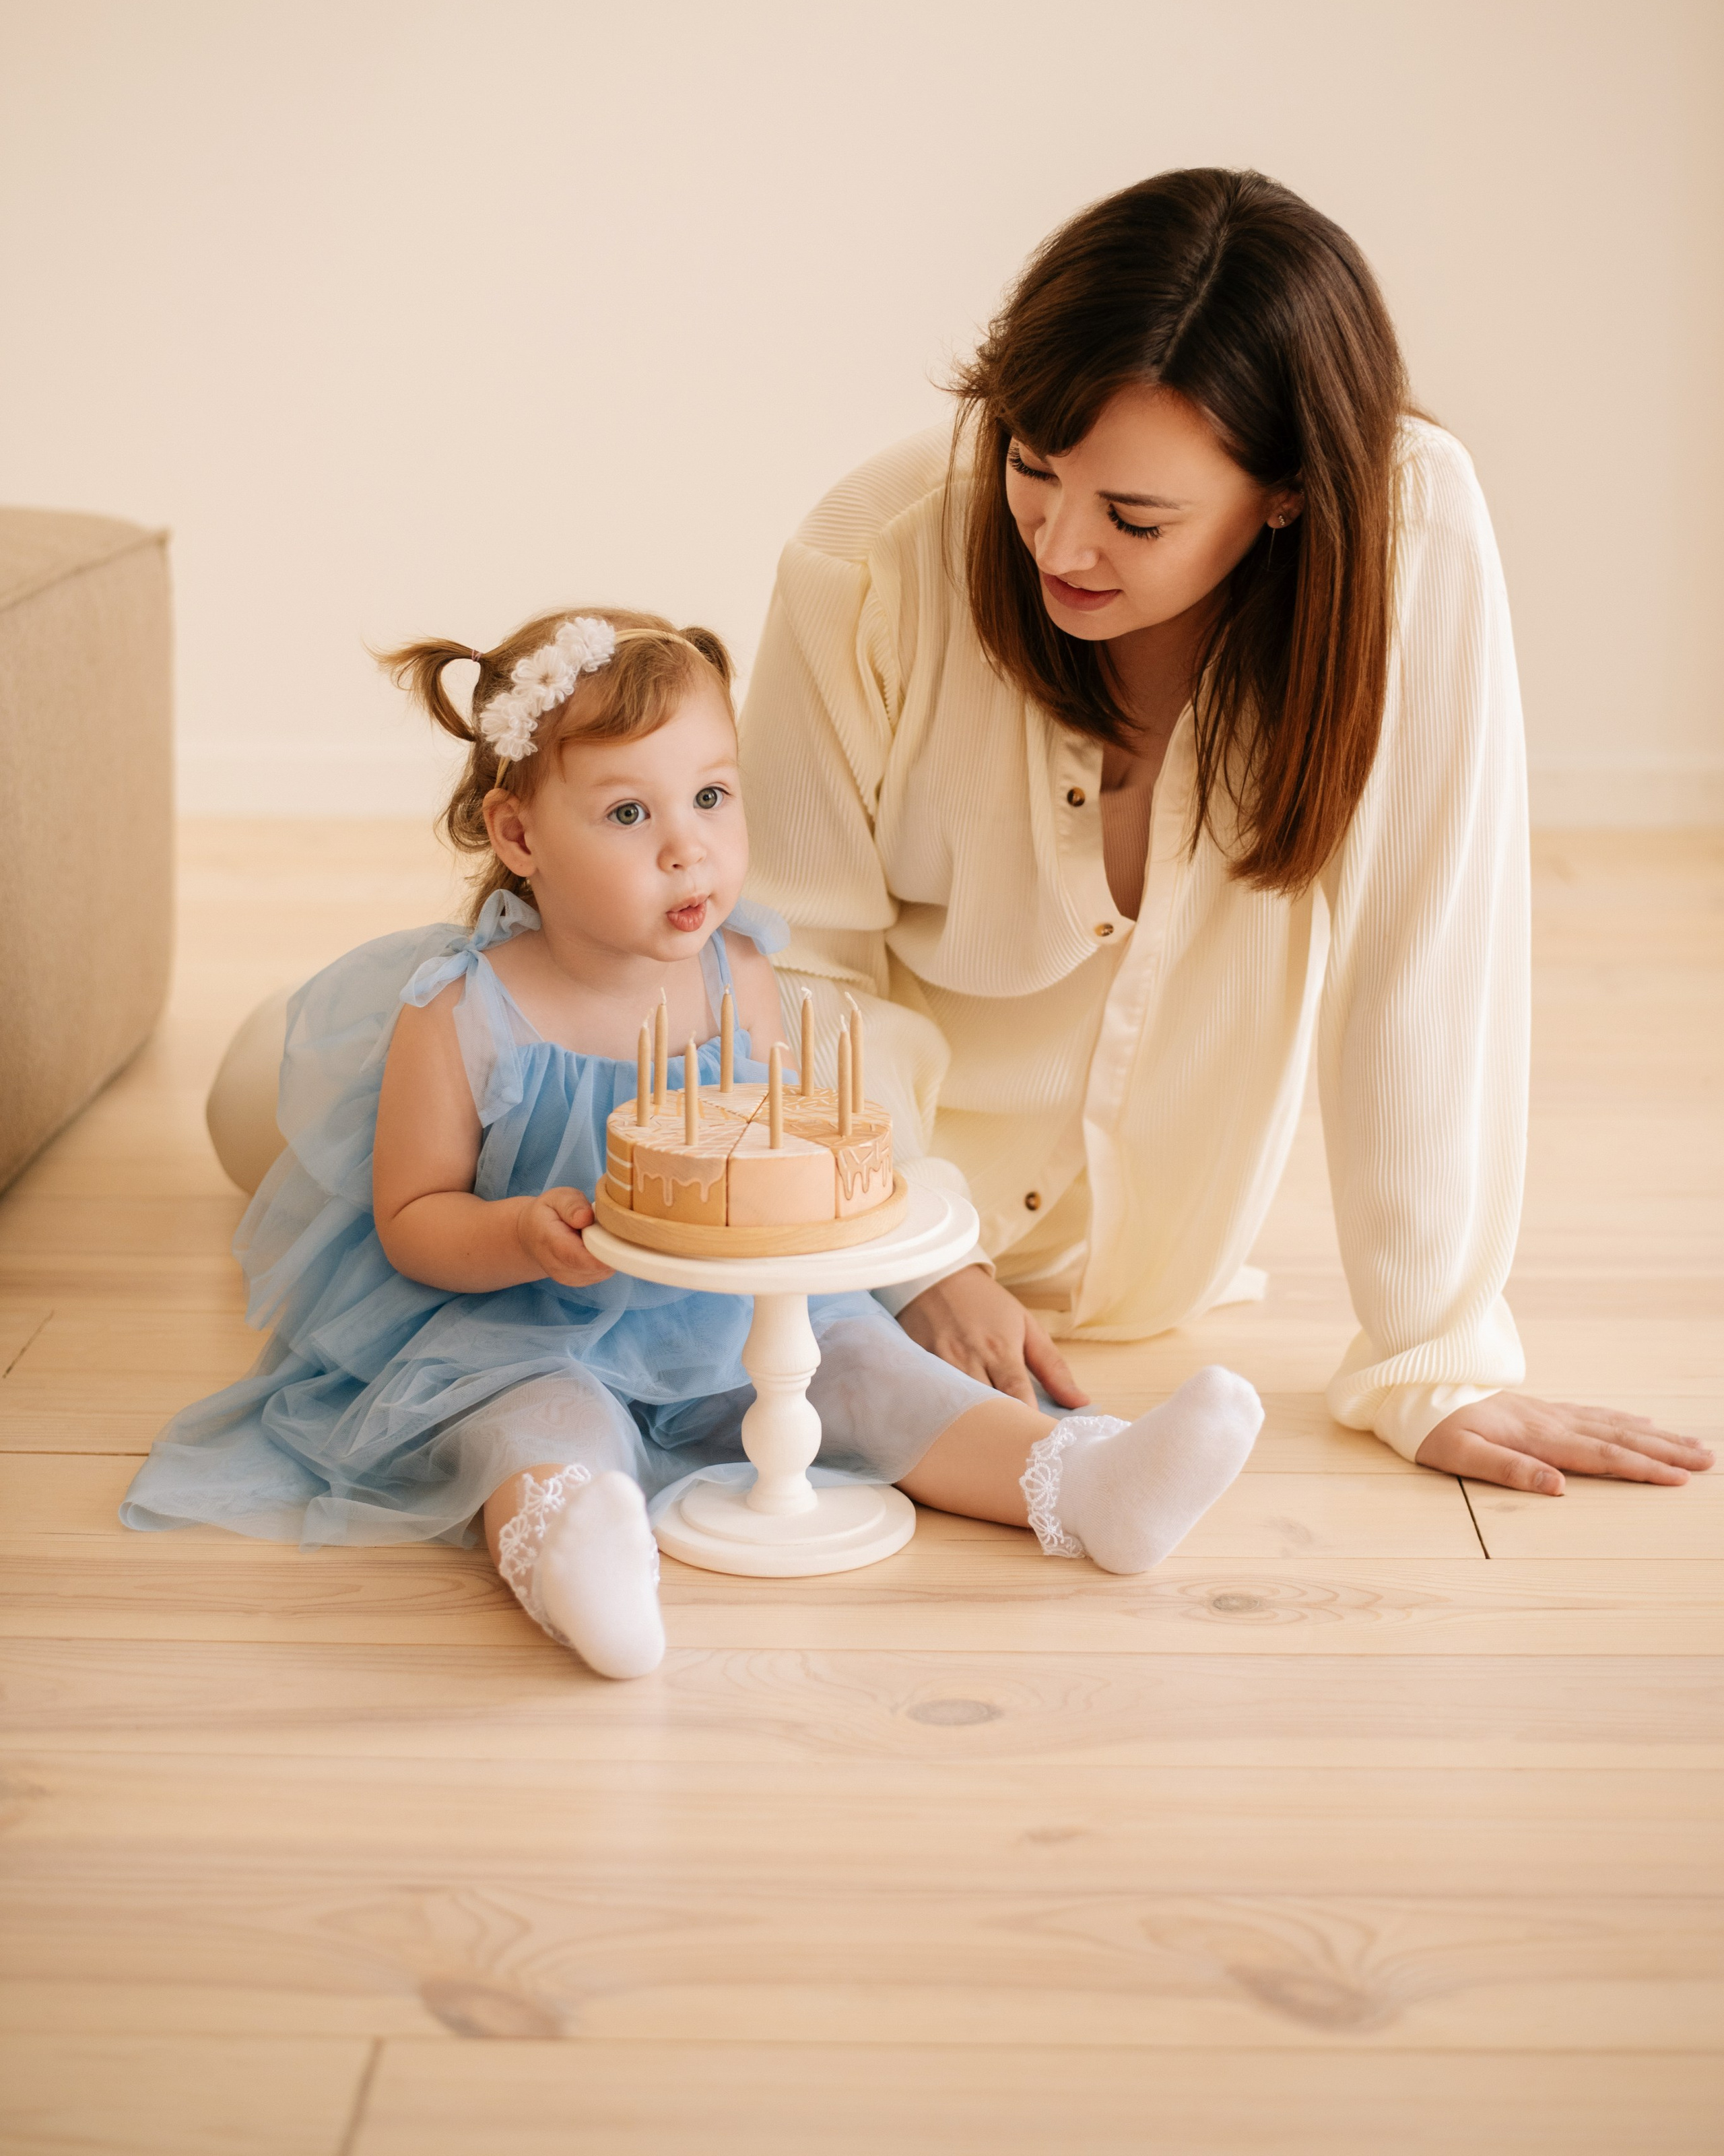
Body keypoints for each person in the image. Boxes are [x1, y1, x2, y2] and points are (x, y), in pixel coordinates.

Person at [738, 168, 1714, 1499]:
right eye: (1031, 465)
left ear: (1287, 494)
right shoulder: (868, 559)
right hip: (865, 1219)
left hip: (1161, 1272)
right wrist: (921, 1254)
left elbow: (1424, 951)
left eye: (1135, 517)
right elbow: (797, 957)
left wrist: (1432, 1360)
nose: (1060, 543)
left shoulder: (1409, 534)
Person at [122, 606, 1265, 1676]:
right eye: (630, 814)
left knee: (866, 1368)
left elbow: (770, 1151)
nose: (689, 848)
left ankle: (1083, 1483)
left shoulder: (745, 981)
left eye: (713, 796)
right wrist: (521, 1231)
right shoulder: (463, 1013)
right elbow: (414, 1222)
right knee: (541, 1421)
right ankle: (581, 1558)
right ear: (517, 832)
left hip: (725, 1303)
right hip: (517, 1317)